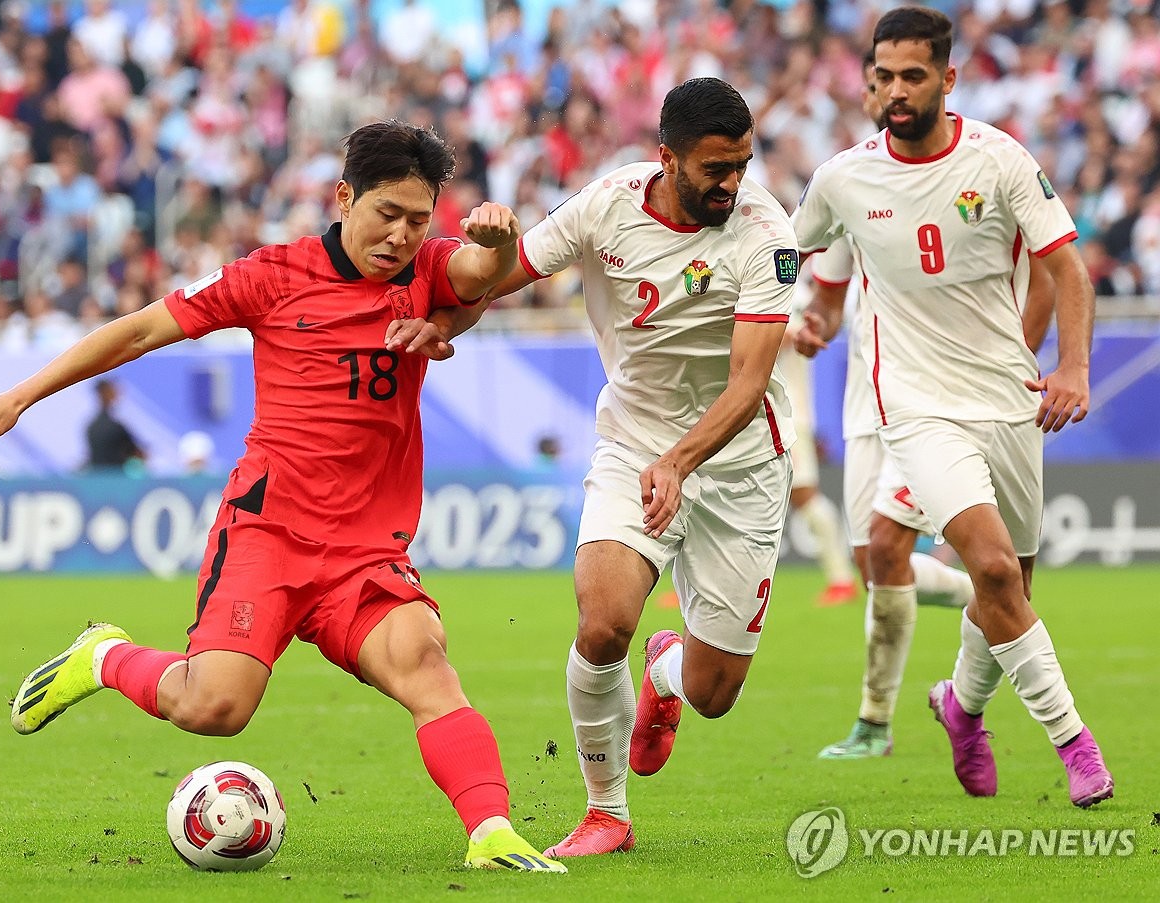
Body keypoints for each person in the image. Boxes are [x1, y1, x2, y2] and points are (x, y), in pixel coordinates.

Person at [0, 120, 566, 873]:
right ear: (343, 196)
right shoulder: (271, 276)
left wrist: (502, 243)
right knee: (214, 707)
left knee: (425, 661)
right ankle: (105, 657)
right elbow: (138, 332)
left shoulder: (429, 269)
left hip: (363, 552)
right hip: (268, 534)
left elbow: (480, 275)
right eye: (388, 214)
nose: (402, 237)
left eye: (419, 220)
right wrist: (22, 396)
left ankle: (492, 832)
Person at [390, 77, 799, 856]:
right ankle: (607, 811)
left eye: (742, 164)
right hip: (634, 446)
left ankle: (670, 670)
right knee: (604, 619)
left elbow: (749, 384)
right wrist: (442, 323)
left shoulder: (766, 233)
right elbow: (500, 277)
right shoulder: (607, 206)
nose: (733, 183)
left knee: (715, 695)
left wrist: (681, 462)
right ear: (667, 159)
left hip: (738, 462)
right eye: (716, 168)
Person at [792, 7, 1112, 807]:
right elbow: (781, 256)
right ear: (867, 83)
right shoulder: (843, 178)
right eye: (882, 79)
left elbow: (1067, 271)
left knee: (1009, 592)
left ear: (947, 79)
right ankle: (1077, 748)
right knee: (992, 567)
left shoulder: (999, 160)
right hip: (917, 407)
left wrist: (1070, 363)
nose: (895, 93)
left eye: (912, 76)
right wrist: (783, 315)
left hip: (1008, 398)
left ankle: (961, 709)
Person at [778, 290, 857, 607]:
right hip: (761, 414)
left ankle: (841, 580)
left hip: (788, 415)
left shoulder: (797, 294)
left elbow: (792, 335)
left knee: (805, 496)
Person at [85, 378, 146, 472]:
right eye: (112, 391)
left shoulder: (91, 427)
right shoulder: (115, 428)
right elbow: (138, 453)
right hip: (116, 480)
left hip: (97, 480)